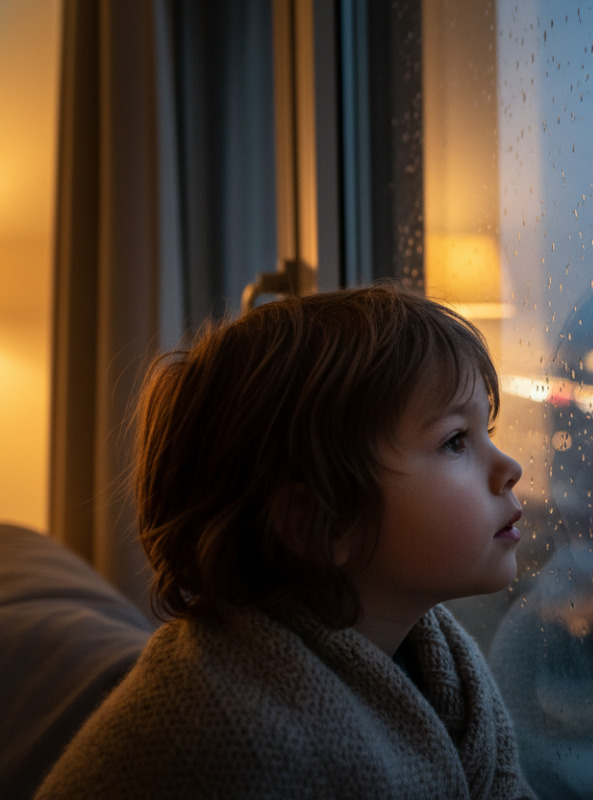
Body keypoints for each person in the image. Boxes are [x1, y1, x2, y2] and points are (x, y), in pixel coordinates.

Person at [36, 284, 537, 799]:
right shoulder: (239, 740)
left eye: (488, 431)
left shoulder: (442, 664)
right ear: (315, 521)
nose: (510, 468)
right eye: (455, 441)